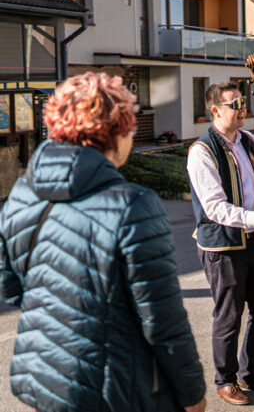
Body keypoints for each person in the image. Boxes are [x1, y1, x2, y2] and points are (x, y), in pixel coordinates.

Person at [0, 72, 206, 412]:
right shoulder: (133, 205)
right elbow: (163, 319)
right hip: (115, 389)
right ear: (115, 131)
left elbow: (12, 290)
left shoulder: (20, 196)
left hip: (45, 380)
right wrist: (193, 394)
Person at [187, 82, 254, 406]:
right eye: (234, 103)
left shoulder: (248, 141)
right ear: (216, 111)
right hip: (223, 246)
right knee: (229, 317)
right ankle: (225, 380)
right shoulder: (202, 151)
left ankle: (253, 374)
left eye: (242, 101)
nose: (242, 107)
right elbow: (215, 208)